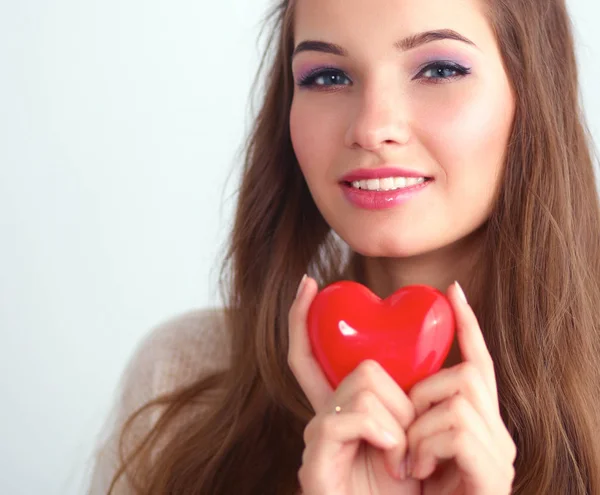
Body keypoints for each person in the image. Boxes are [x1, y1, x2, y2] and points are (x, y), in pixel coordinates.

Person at [87, 0, 600, 493]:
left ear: (531, 93)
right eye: (328, 77)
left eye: (439, 69)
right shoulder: (183, 377)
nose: (372, 128)